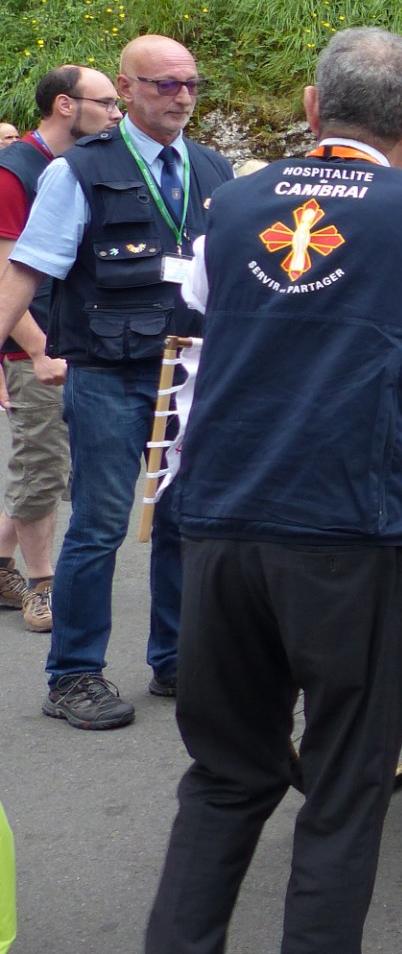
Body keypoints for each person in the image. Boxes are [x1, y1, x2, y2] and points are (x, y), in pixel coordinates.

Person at [142, 27, 402, 953]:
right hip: (355, 526)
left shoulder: (232, 204)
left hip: (223, 513)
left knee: (226, 776)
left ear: (314, 109)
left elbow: (200, 325)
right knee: (346, 789)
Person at [0, 36, 233, 730]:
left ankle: (175, 658)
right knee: (99, 526)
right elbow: (27, 268)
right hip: (105, 374)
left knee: (183, 521)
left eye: (191, 83)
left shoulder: (216, 170)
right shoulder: (81, 170)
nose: (182, 97)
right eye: (164, 85)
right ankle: (73, 675)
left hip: (189, 375)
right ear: (126, 91)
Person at [0, 66, 123, 635]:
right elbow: (5, 277)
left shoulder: (76, 165)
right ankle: (43, 585)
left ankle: (1, 564)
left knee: (50, 466)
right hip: (37, 348)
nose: (118, 115)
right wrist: (38, 351)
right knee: (44, 465)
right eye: (108, 103)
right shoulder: (14, 170)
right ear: (65, 106)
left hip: (75, 343)